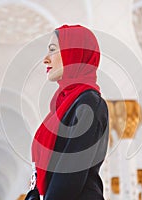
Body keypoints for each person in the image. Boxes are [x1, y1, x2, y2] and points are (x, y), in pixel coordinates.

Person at [31, 24, 109, 200]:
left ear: (74, 53)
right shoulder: (61, 106)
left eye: (53, 50)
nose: (46, 59)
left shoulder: (88, 103)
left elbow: (69, 177)